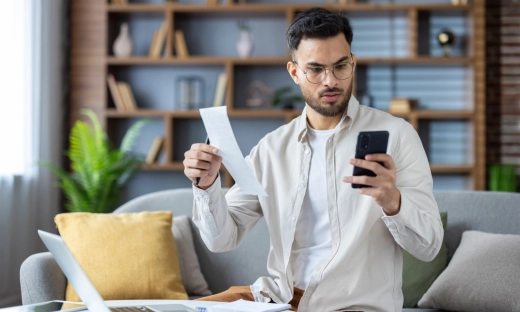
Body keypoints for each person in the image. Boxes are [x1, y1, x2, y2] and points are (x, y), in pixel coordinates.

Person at [182, 7, 443, 312]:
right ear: (295, 72)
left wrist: (392, 201)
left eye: (340, 66)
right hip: (280, 300)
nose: (330, 81)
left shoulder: (397, 136)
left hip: (353, 306)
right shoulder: (272, 149)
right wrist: (207, 185)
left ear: (353, 63)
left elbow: (429, 247)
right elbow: (220, 240)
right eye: (316, 69)